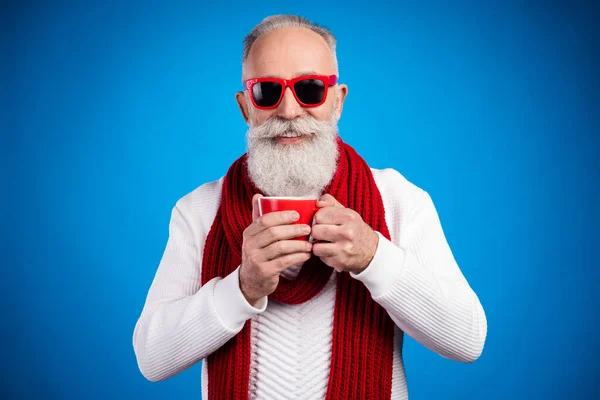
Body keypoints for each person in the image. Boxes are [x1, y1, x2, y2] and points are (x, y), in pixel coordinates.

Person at [133, 14, 487, 400]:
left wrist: (374, 256)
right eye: (267, 91)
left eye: (310, 89)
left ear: (337, 100)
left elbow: (467, 340)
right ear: (245, 107)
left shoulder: (398, 200)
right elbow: (152, 360)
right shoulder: (200, 210)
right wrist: (242, 286)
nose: (288, 112)